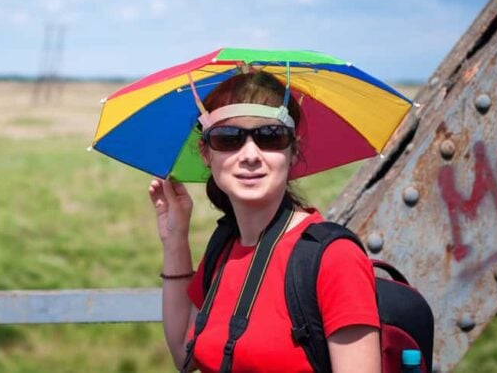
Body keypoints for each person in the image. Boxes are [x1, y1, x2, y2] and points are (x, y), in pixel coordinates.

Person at [148, 70, 381, 373]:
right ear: (206, 154)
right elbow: (185, 352)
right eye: (227, 138)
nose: (250, 155)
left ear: (293, 151)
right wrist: (175, 239)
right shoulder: (225, 246)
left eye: (270, 137)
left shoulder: (334, 259)